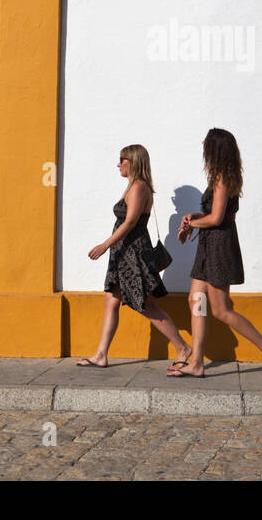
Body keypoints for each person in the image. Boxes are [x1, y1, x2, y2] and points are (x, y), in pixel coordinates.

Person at [168, 128, 262, 382]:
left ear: (216, 148)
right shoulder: (220, 177)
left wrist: (192, 224)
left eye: (207, 142)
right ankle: (197, 363)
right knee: (196, 300)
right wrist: (195, 218)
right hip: (209, 246)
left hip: (219, 246)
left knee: (221, 309)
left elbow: (218, 218)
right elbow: (216, 214)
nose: (202, 144)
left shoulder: (221, 178)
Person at [77, 144, 193, 369]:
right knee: (111, 301)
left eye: (122, 159)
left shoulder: (139, 187)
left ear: (133, 161)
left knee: (146, 304)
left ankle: (183, 348)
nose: (118, 164)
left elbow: (130, 222)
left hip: (133, 253)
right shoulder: (132, 185)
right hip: (122, 253)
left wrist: (104, 245)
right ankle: (101, 354)